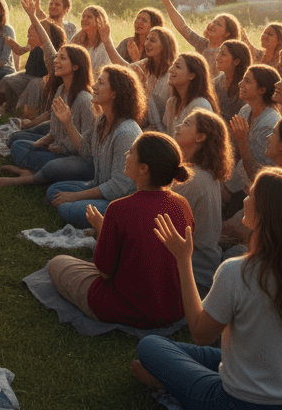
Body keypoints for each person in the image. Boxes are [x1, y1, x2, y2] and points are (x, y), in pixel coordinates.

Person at [134, 168, 282, 410]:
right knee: (192, 354)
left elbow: (201, 334)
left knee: (151, 346)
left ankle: (171, 384)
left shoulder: (237, 272)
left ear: (266, 215)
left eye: (251, 196)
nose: (245, 200)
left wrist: (183, 259)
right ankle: (178, 380)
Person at [47, 132, 194, 328]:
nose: (126, 154)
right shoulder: (182, 204)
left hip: (127, 309)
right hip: (174, 309)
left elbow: (105, 272)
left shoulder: (119, 209)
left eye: (131, 152)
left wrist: (101, 229)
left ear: (143, 168)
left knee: (57, 263)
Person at [44, 64, 147, 226]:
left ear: (114, 93)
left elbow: (119, 187)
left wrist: (75, 196)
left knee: (67, 208)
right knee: (53, 191)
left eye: (100, 83)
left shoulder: (126, 133)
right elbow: (87, 153)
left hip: (120, 202)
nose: (93, 86)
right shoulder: (102, 121)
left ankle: (114, 223)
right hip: (99, 186)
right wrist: (68, 123)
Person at [0, 44, 94, 187]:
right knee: (17, 143)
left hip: (76, 157)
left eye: (62, 58)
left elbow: (88, 144)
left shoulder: (85, 100)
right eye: (57, 56)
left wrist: (62, 148)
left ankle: (34, 174)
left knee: (51, 165)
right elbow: (54, 125)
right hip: (56, 148)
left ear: (75, 67)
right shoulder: (61, 89)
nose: (56, 61)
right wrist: (42, 142)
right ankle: (37, 172)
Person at [173, 109, 233, 293]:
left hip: (193, 274)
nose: (178, 127)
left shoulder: (192, 179)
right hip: (202, 268)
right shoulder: (203, 173)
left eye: (186, 124)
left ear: (200, 137)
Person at [153, 0, 240, 76]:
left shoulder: (227, 55)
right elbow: (182, 27)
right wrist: (166, 1)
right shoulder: (203, 44)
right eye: (213, 21)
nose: (212, 25)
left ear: (227, 33)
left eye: (218, 24)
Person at [224, 65, 280, 199]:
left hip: (258, 191)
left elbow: (257, 174)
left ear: (262, 90)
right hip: (236, 181)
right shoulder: (246, 110)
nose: (240, 84)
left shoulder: (271, 123)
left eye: (247, 81)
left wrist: (242, 140)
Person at [161, 52, 219, 137]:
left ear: (191, 76)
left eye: (177, 67)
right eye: (173, 65)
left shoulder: (200, 105)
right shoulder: (172, 103)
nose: (170, 69)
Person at [212, 39, 250, 121]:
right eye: (219, 53)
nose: (217, 58)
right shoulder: (216, 83)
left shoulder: (246, 88)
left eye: (223, 54)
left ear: (236, 61)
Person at [70, 4, 110, 75]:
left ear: (99, 21)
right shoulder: (78, 40)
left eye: (89, 17)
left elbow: (100, 72)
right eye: (83, 16)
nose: (84, 19)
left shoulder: (104, 46)